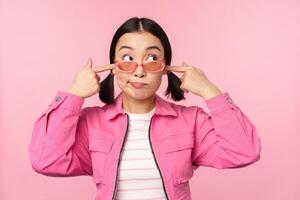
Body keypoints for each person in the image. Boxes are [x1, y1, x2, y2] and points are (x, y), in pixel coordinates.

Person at [28, 17, 261, 200]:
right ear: (114, 67)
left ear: (165, 67)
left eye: (151, 58)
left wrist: (210, 90)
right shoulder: (91, 123)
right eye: (127, 58)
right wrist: (73, 94)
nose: (139, 70)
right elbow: (45, 161)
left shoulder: (191, 121)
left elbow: (244, 152)